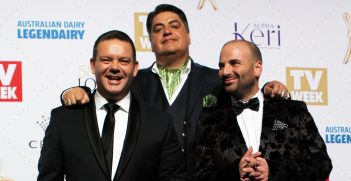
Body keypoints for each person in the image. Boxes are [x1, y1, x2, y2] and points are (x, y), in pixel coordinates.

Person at [60, 4, 289, 180]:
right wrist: (76, 91)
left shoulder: (218, 79)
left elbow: (252, 99)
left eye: (174, 25)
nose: (166, 32)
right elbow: (102, 100)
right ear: (150, 41)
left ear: (189, 35)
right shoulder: (132, 82)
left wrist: (271, 88)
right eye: (157, 29)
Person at [37, 30, 186, 181]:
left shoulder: (159, 123)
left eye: (123, 61)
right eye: (106, 60)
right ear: (93, 65)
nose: (115, 67)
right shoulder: (63, 120)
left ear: (135, 68)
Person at [193, 40, 332, 181]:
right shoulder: (210, 122)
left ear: (257, 68)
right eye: (221, 66)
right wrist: (235, 173)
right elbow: (201, 175)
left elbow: (321, 164)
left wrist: (273, 172)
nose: (225, 71)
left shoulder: (292, 112)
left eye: (234, 63)